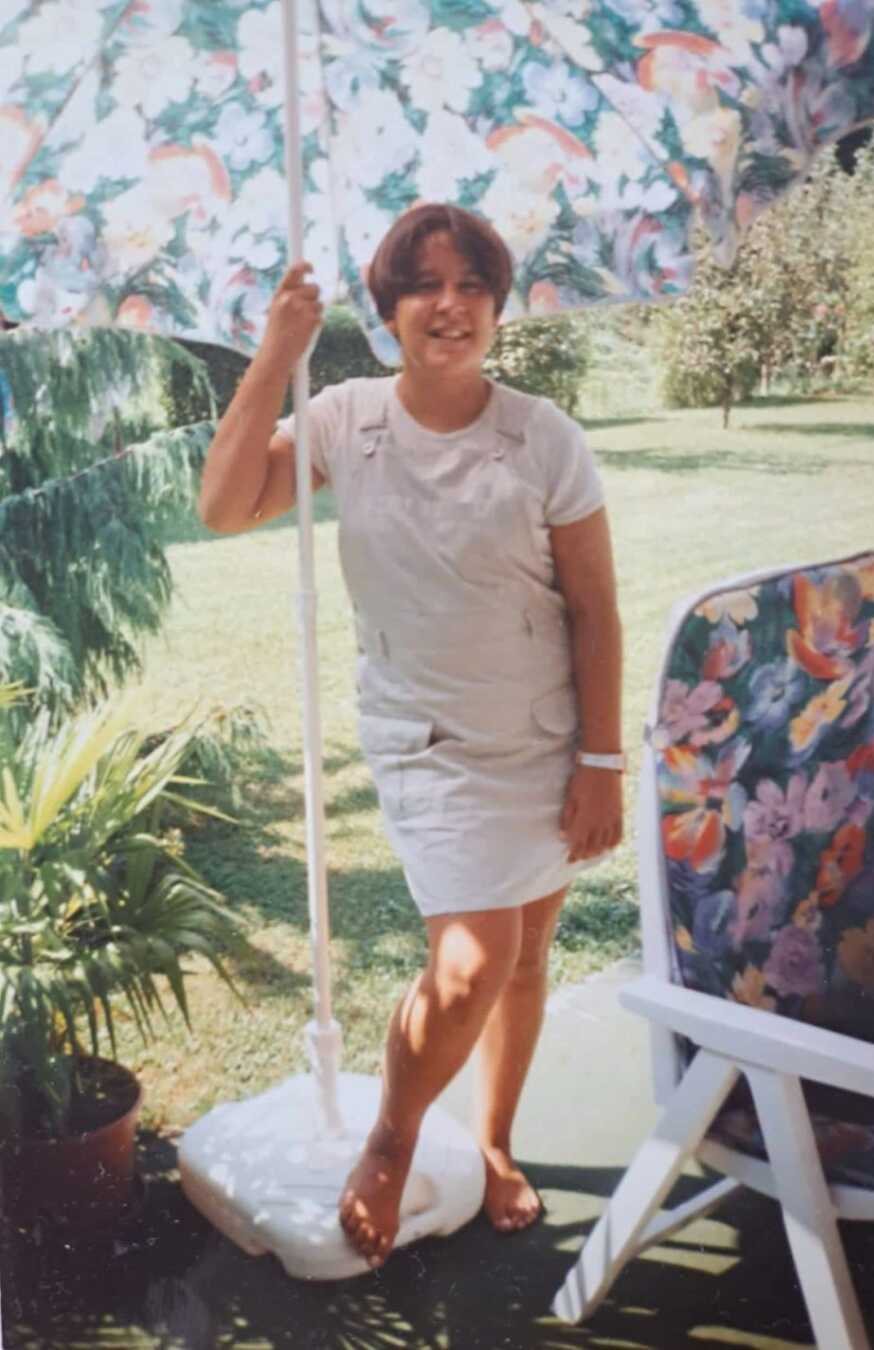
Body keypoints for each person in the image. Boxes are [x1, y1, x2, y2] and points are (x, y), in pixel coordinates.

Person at [198, 203, 623, 1270]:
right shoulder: (345, 420)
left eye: (473, 284)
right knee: (476, 962)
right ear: (386, 307)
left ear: (496, 304)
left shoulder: (543, 436)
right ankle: (392, 1143)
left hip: (540, 737)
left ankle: (492, 1141)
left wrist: (602, 763)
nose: (451, 305)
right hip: (427, 744)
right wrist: (276, 354)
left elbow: (596, 612)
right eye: (425, 285)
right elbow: (223, 503)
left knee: (527, 960)